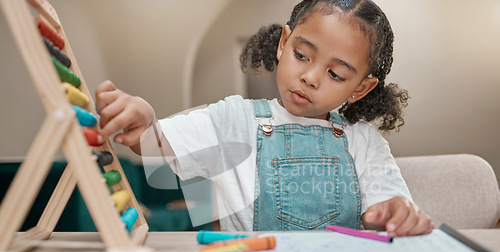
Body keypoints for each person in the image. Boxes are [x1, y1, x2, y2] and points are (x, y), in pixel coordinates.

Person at [95, 0, 433, 236]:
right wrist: (143, 122)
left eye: (335, 74)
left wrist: (396, 213)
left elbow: (386, 209)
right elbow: (155, 145)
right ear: (283, 44)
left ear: (360, 88)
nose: (310, 77)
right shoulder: (233, 119)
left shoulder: (364, 142)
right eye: (302, 55)